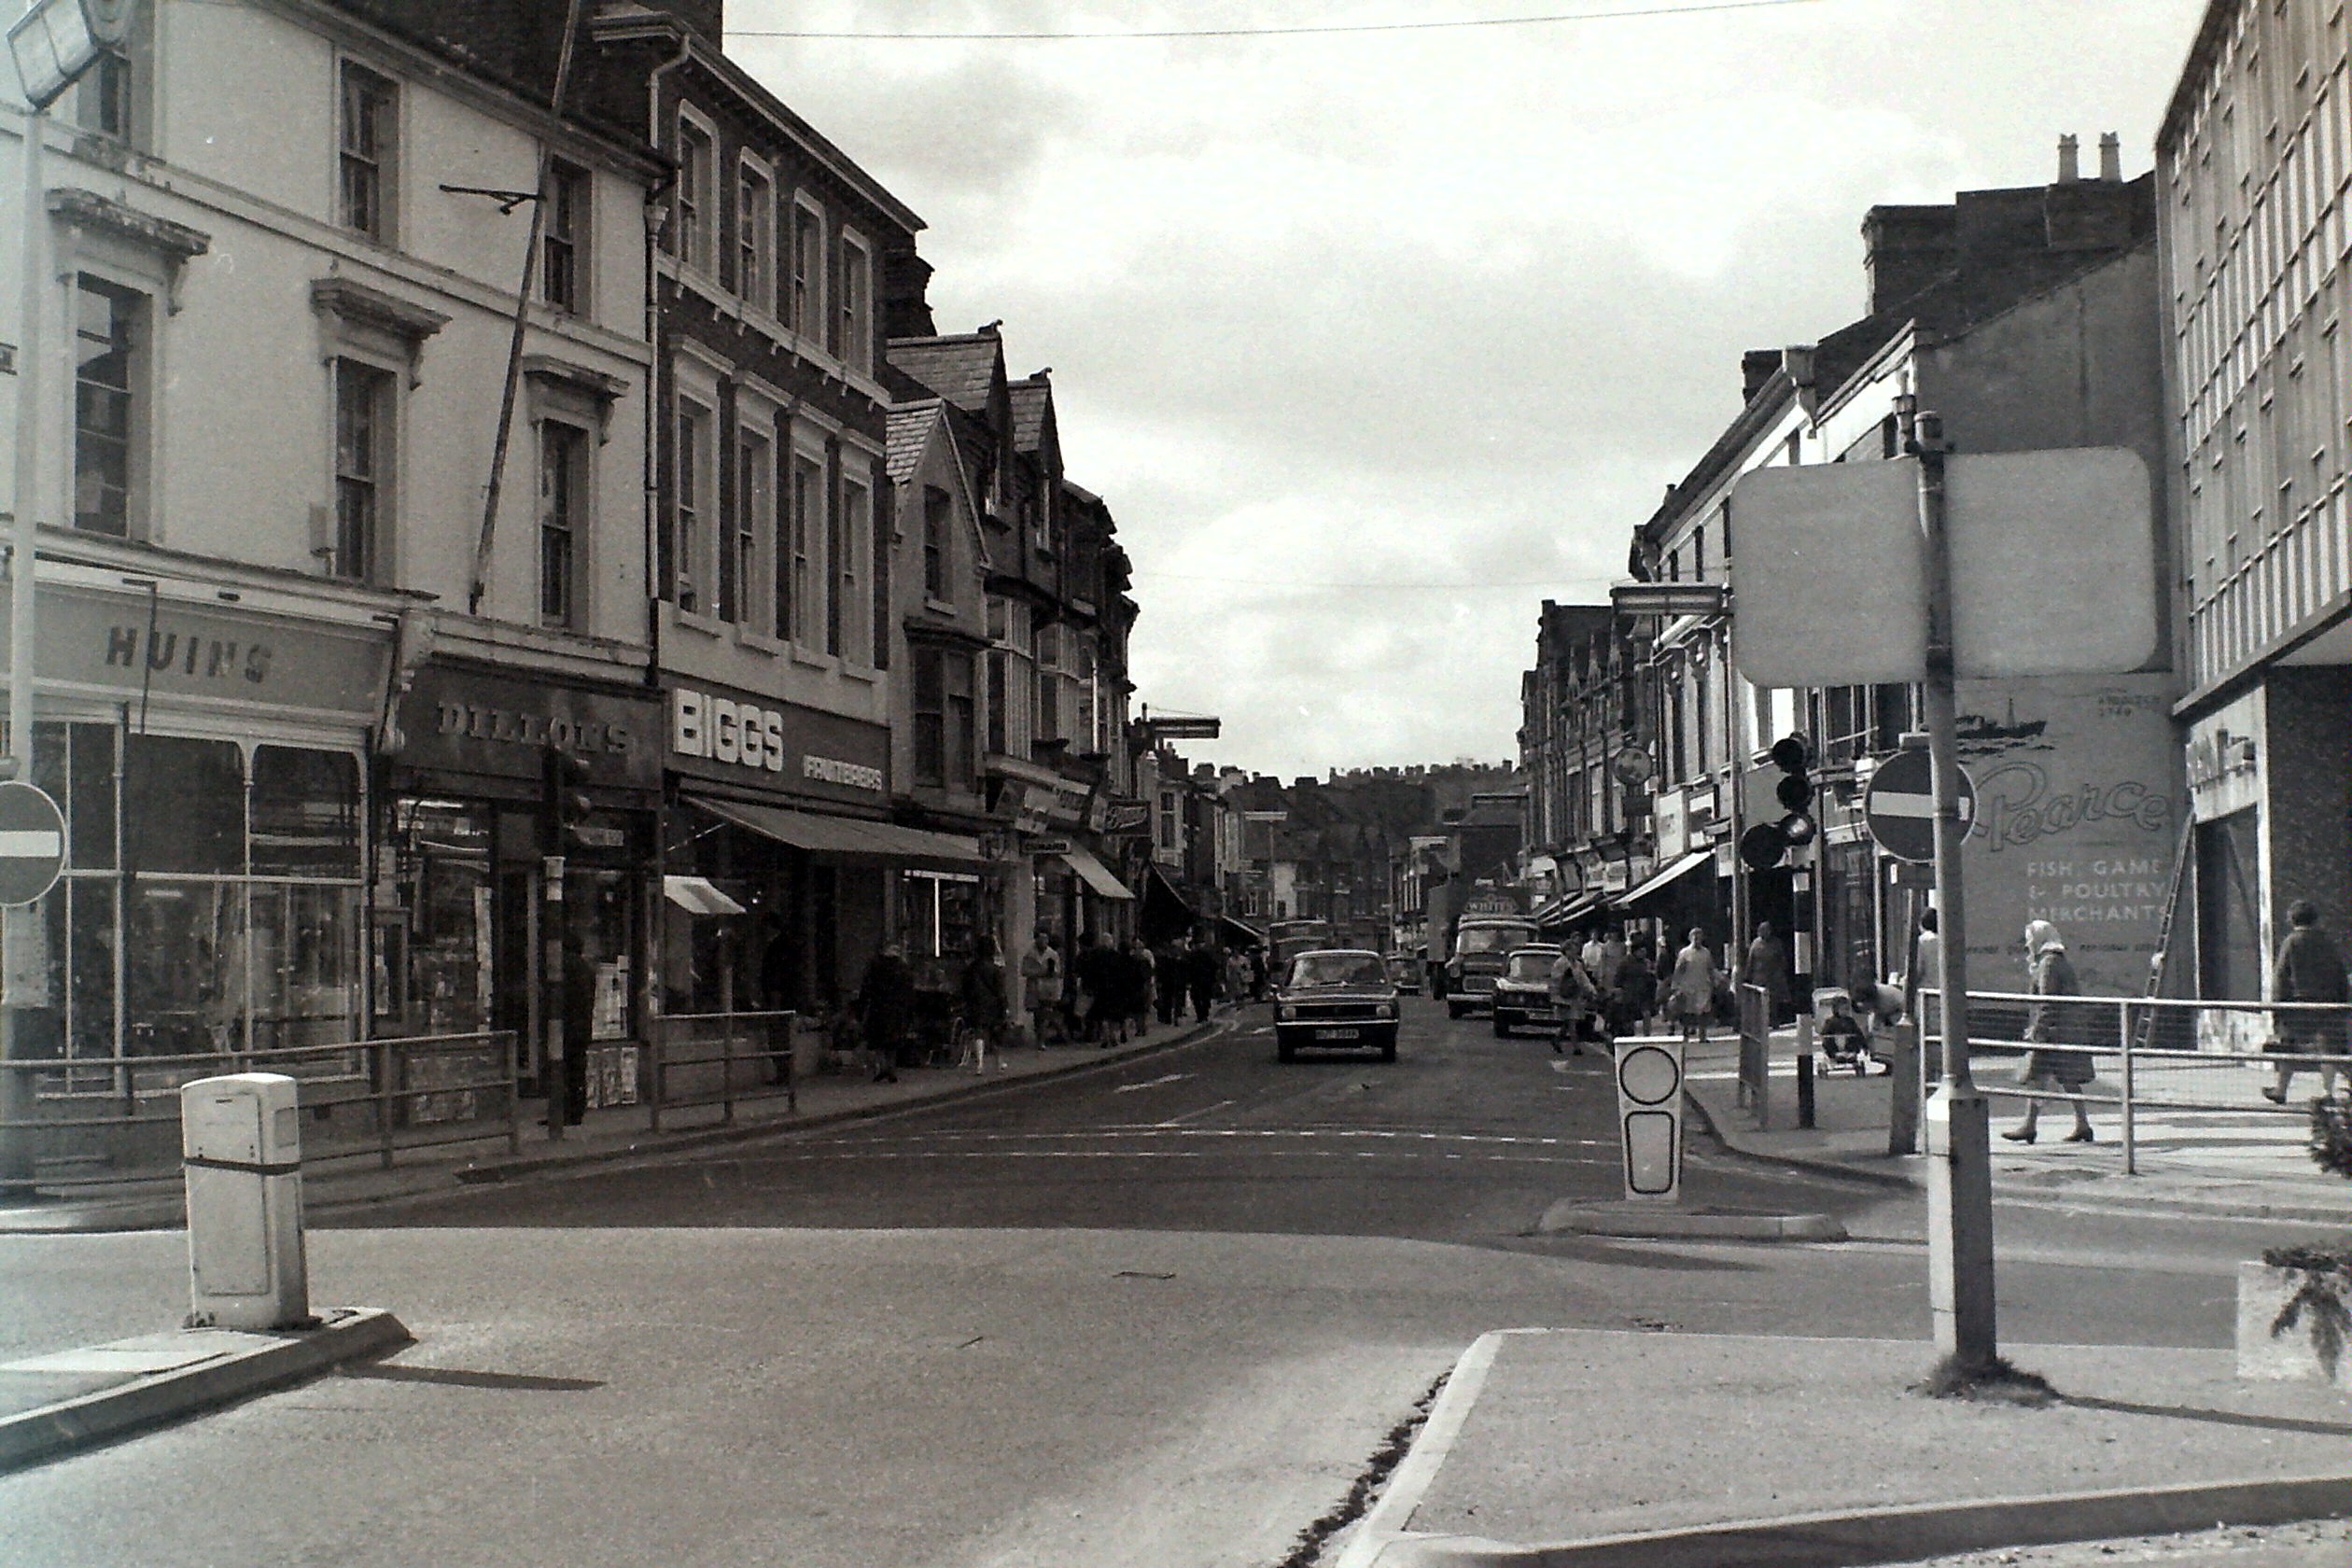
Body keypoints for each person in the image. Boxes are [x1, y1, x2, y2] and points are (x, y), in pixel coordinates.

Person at [2005, 919, 2094, 1143]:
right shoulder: (2056, 960)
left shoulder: (2048, 964)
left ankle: (2031, 1126)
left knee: (2042, 1077)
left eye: (2029, 940)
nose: (2027, 945)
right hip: (2063, 1029)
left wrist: (2038, 1030)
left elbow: (2047, 1000)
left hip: (2053, 1032)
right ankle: (2079, 1124)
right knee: (2062, 1079)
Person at [2265, 900, 2348, 1103]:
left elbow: (2281, 977)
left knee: (2288, 1048)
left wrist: (2277, 1007)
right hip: (2328, 1004)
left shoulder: (2291, 942)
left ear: (2291, 920)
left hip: (2298, 1006)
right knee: (2331, 1050)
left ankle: (2281, 1090)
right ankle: (2328, 1092)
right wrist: (2344, 1002)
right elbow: (2340, 974)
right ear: (2316, 919)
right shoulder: (2327, 942)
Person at [856, 944, 914, 1084]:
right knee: (893, 1042)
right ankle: (891, 1069)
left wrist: (861, 1007)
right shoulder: (903, 968)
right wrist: (909, 1011)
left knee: (878, 1042)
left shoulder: (875, 966)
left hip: (878, 1008)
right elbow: (909, 992)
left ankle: (882, 1067)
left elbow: (866, 988)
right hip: (897, 1009)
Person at [959, 933, 1009, 1066]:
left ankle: (979, 1063)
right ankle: (999, 1062)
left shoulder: (971, 968)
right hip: (992, 1003)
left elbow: (964, 987)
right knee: (996, 1032)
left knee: (978, 1031)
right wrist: (1004, 1005)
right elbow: (1000, 990)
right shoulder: (995, 969)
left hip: (975, 1002)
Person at [1669, 929, 1718, 1043]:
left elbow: (1710, 968)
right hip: (1688, 986)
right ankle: (1685, 1036)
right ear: (1690, 938)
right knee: (1687, 1013)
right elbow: (1678, 970)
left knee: (1703, 1012)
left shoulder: (1706, 953)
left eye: (1699, 937)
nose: (1697, 939)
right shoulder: (1684, 953)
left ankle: (1702, 1036)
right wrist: (1675, 985)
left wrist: (1713, 981)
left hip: (1703, 986)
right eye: (1694, 937)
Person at [1547, 945, 1598, 1056]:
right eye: (1571, 950)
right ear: (1566, 951)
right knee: (1572, 1022)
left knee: (1569, 1021)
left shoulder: (1578, 964)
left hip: (1575, 996)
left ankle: (1557, 1039)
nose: (1574, 952)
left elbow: (1583, 979)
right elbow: (1555, 980)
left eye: (1575, 950)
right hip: (1564, 996)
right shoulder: (1560, 963)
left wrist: (1591, 990)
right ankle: (1576, 1047)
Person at [1742, 920, 1790, 1028]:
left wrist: (1781, 972)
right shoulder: (1755, 944)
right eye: (1762, 930)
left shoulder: (1776, 943)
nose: (1764, 933)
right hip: (1759, 976)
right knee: (1759, 1001)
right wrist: (1747, 975)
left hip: (1773, 976)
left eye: (1766, 930)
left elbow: (1782, 959)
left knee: (1773, 1001)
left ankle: (1774, 1021)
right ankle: (1761, 1023)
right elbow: (1751, 960)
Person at [1021, 931, 1064, 1046]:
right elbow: (1024, 971)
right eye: (1041, 939)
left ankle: (1042, 1040)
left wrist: (1052, 972)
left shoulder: (1053, 954)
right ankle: (1039, 1037)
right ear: (1036, 940)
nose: (1043, 942)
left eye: (1045, 939)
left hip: (1049, 988)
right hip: (1035, 987)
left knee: (1046, 1014)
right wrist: (1039, 972)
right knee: (1037, 1015)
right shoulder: (1030, 954)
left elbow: (1058, 971)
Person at [1612, 942, 1658, 1036]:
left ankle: (1647, 1035)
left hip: (1644, 993)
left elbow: (1652, 978)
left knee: (1646, 1014)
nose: (1643, 953)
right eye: (1641, 951)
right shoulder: (1625, 962)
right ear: (1635, 952)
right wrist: (1620, 989)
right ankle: (1630, 1034)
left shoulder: (1646, 963)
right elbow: (1618, 978)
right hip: (1630, 994)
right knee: (1630, 1017)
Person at [1184, 936, 1223, 1024]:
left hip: (1199, 980)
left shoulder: (1193, 956)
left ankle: (1201, 1015)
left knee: (1198, 998)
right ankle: (1203, 1014)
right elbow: (1215, 966)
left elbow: (1187, 969)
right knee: (1203, 998)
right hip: (1204, 980)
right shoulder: (1205, 955)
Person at [1153, 938, 1187, 1027]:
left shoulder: (1177, 960)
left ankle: (1174, 1017)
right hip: (1169, 982)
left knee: (1175, 1000)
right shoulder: (1168, 960)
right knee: (1168, 1000)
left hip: (1175, 982)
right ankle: (1169, 1018)